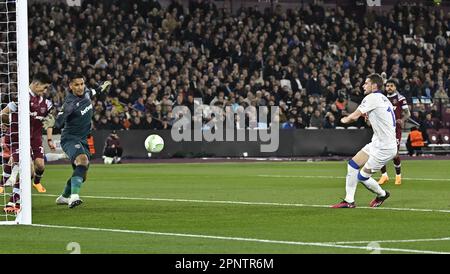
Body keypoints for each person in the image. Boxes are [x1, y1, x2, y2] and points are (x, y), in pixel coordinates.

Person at [48, 72, 111, 208]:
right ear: (71, 86)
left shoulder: (87, 92)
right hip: (70, 138)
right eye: (76, 85)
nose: (80, 87)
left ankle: (63, 197)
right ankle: (74, 197)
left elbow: (93, 91)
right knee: (82, 161)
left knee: (82, 174)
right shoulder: (69, 103)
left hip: (82, 139)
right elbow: (59, 122)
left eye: (82, 84)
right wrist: (51, 122)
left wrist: (102, 87)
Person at [332, 73, 394, 208]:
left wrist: (344, 119)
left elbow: (354, 116)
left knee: (362, 177)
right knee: (353, 164)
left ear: (374, 85)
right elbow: (379, 122)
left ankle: (382, 194)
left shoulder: (372, 97)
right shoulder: (383, 99)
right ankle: (349, 201)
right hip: (377, 142)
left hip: (385, 147)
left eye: (366, 83)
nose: (363, 85)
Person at [0, 73, 55, 213]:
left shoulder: (46, 103)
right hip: (18, 138)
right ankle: (13, 202)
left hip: (35, 139)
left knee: (40, 166)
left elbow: (51, 119)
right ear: (36, 84)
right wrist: (7, 123)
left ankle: (13, 185)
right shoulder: (20, 97)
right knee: (28, 169)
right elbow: (4, 113)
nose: (45, 91)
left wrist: (50, 128)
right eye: (44, 88)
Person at [378, 79, 410, 186]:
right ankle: (384, 176)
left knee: (395, 154)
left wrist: (402, 120)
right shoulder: (382, 98)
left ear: (395, 87)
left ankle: (398, 176)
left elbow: (407, 113)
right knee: (380, 152)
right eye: (387, 86)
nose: (389, 88)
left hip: (395, 129)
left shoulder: (400, 98)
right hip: (383, 129)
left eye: (391, 86)